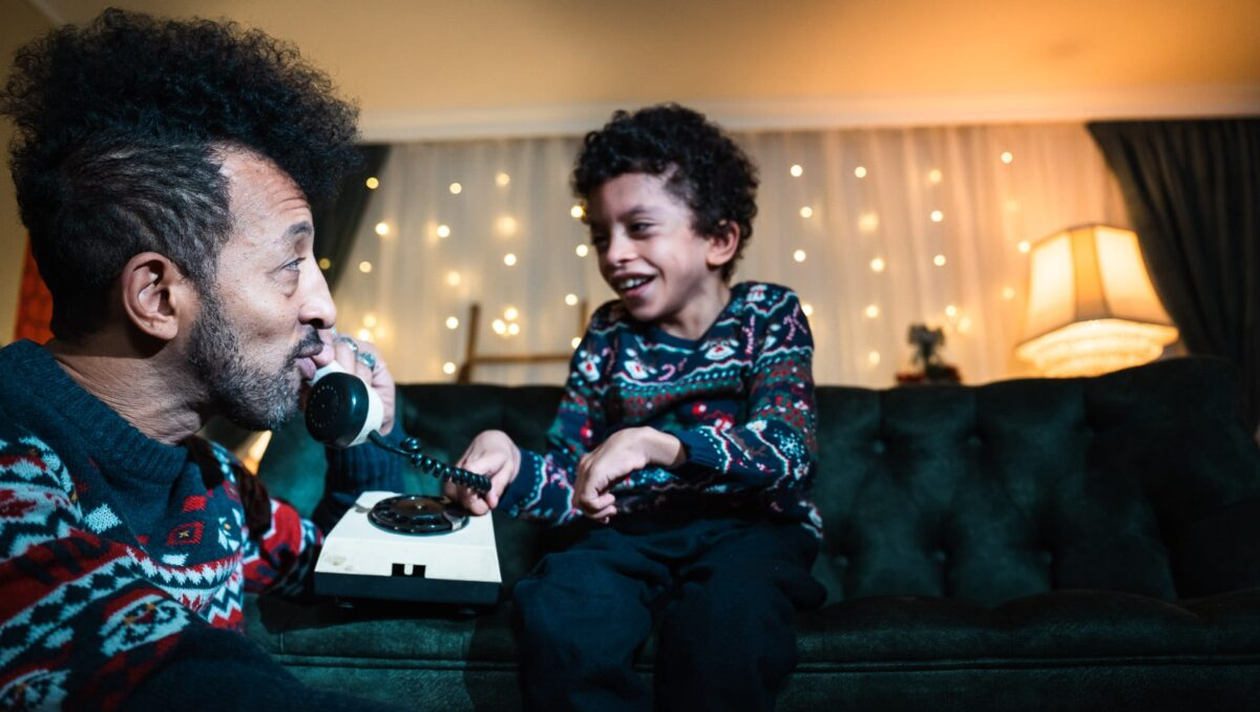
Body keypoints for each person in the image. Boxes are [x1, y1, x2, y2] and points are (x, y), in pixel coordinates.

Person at [0, 10, 408, 711]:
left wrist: (362, 434)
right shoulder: (15, 476)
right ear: (157, 297)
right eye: (291, 265)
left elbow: (345, 573)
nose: (324, 306)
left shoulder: (214, 481)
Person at [445, 104, 827, 711]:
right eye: (601, 236)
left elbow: (788, 450)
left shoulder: (768, 313)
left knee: (728, 622)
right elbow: (572, 481)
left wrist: (659, 445)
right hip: (628, 532)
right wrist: (511, 464)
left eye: (640, 228)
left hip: (752, 530)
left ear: (719, 240)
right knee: (562, 602)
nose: (614, 253)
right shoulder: (607, 333)